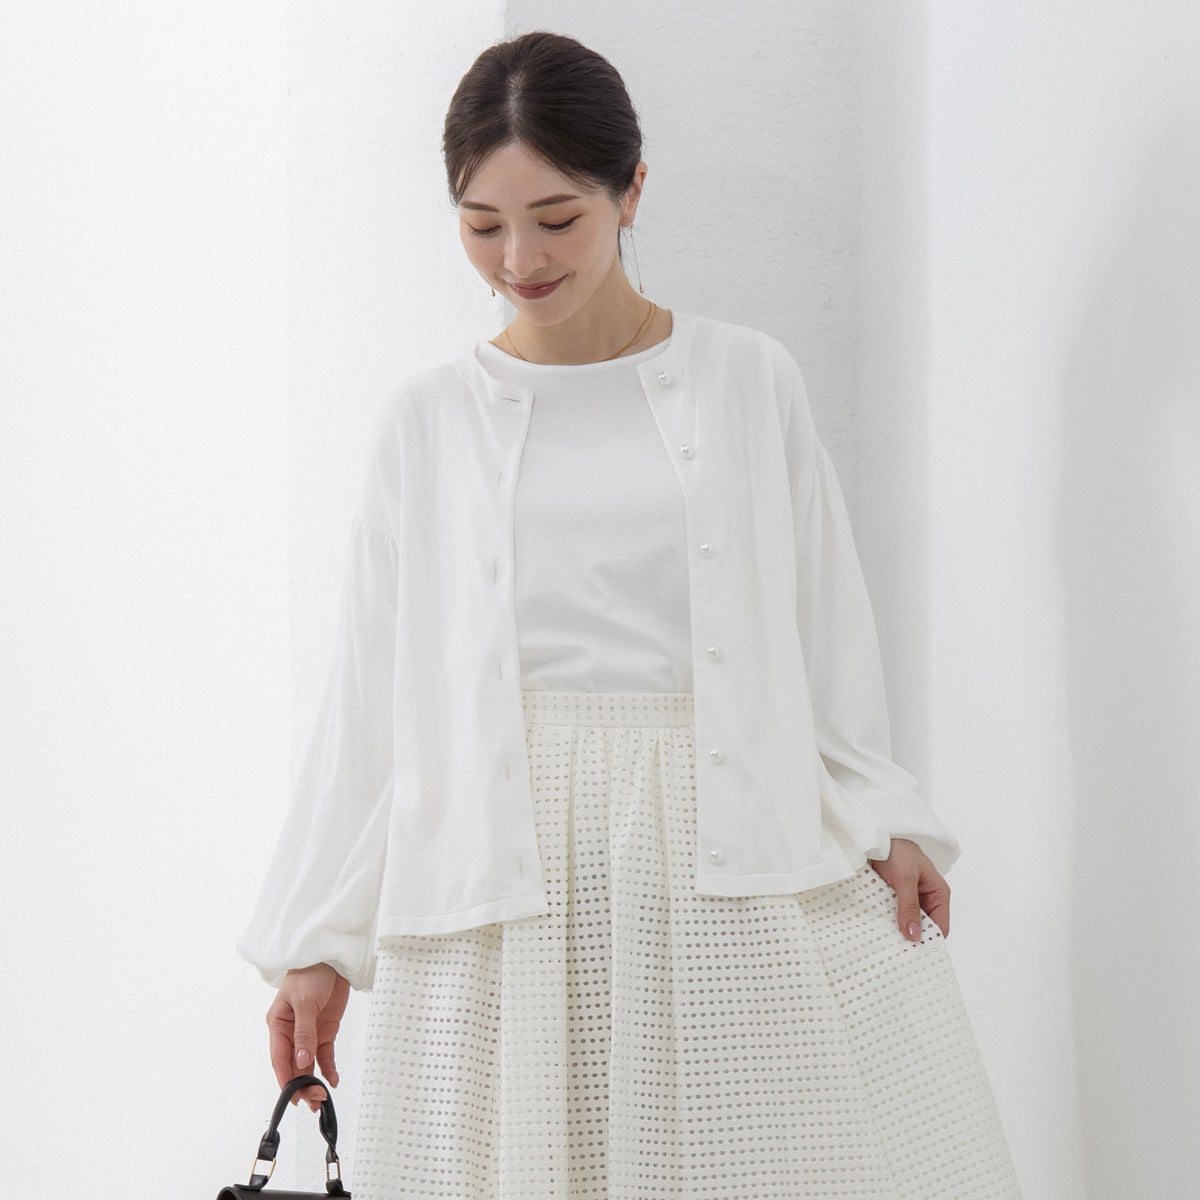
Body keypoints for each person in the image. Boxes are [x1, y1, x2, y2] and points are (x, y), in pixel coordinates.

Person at [240, 30, 1022, 1200]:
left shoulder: (749, 378)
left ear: (632, 189)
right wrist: (318, 936)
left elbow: (825, 621)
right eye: (482, 224)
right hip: (504, 878)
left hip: (717, 849)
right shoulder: (426, 423)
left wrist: (882, 807)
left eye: (556, 218)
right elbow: (368, 699)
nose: (519, 259)